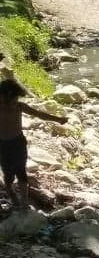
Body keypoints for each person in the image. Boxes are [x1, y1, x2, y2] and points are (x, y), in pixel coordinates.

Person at [0, 78, 65, 209]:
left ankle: (23, 202)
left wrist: (58, 119)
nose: (14, 102)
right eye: (12, 99)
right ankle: (13, 197)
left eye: (16, 99)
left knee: (21, 171)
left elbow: (39, 114)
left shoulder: (19, 106)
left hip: (18, 143)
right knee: (8, 176)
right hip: (2, 145)